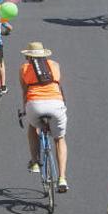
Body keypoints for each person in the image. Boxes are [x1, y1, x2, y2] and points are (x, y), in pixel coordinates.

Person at [20, 42, 69, 191]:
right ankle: (62, 178)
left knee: (32, 126)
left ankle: (35, 161)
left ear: (28, 55)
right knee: (59, 139)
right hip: (55, 103)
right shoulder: (55, 65)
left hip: (35, 105)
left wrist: (25, 110)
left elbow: (25, 92)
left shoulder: (24, 68)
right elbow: (58, 84)